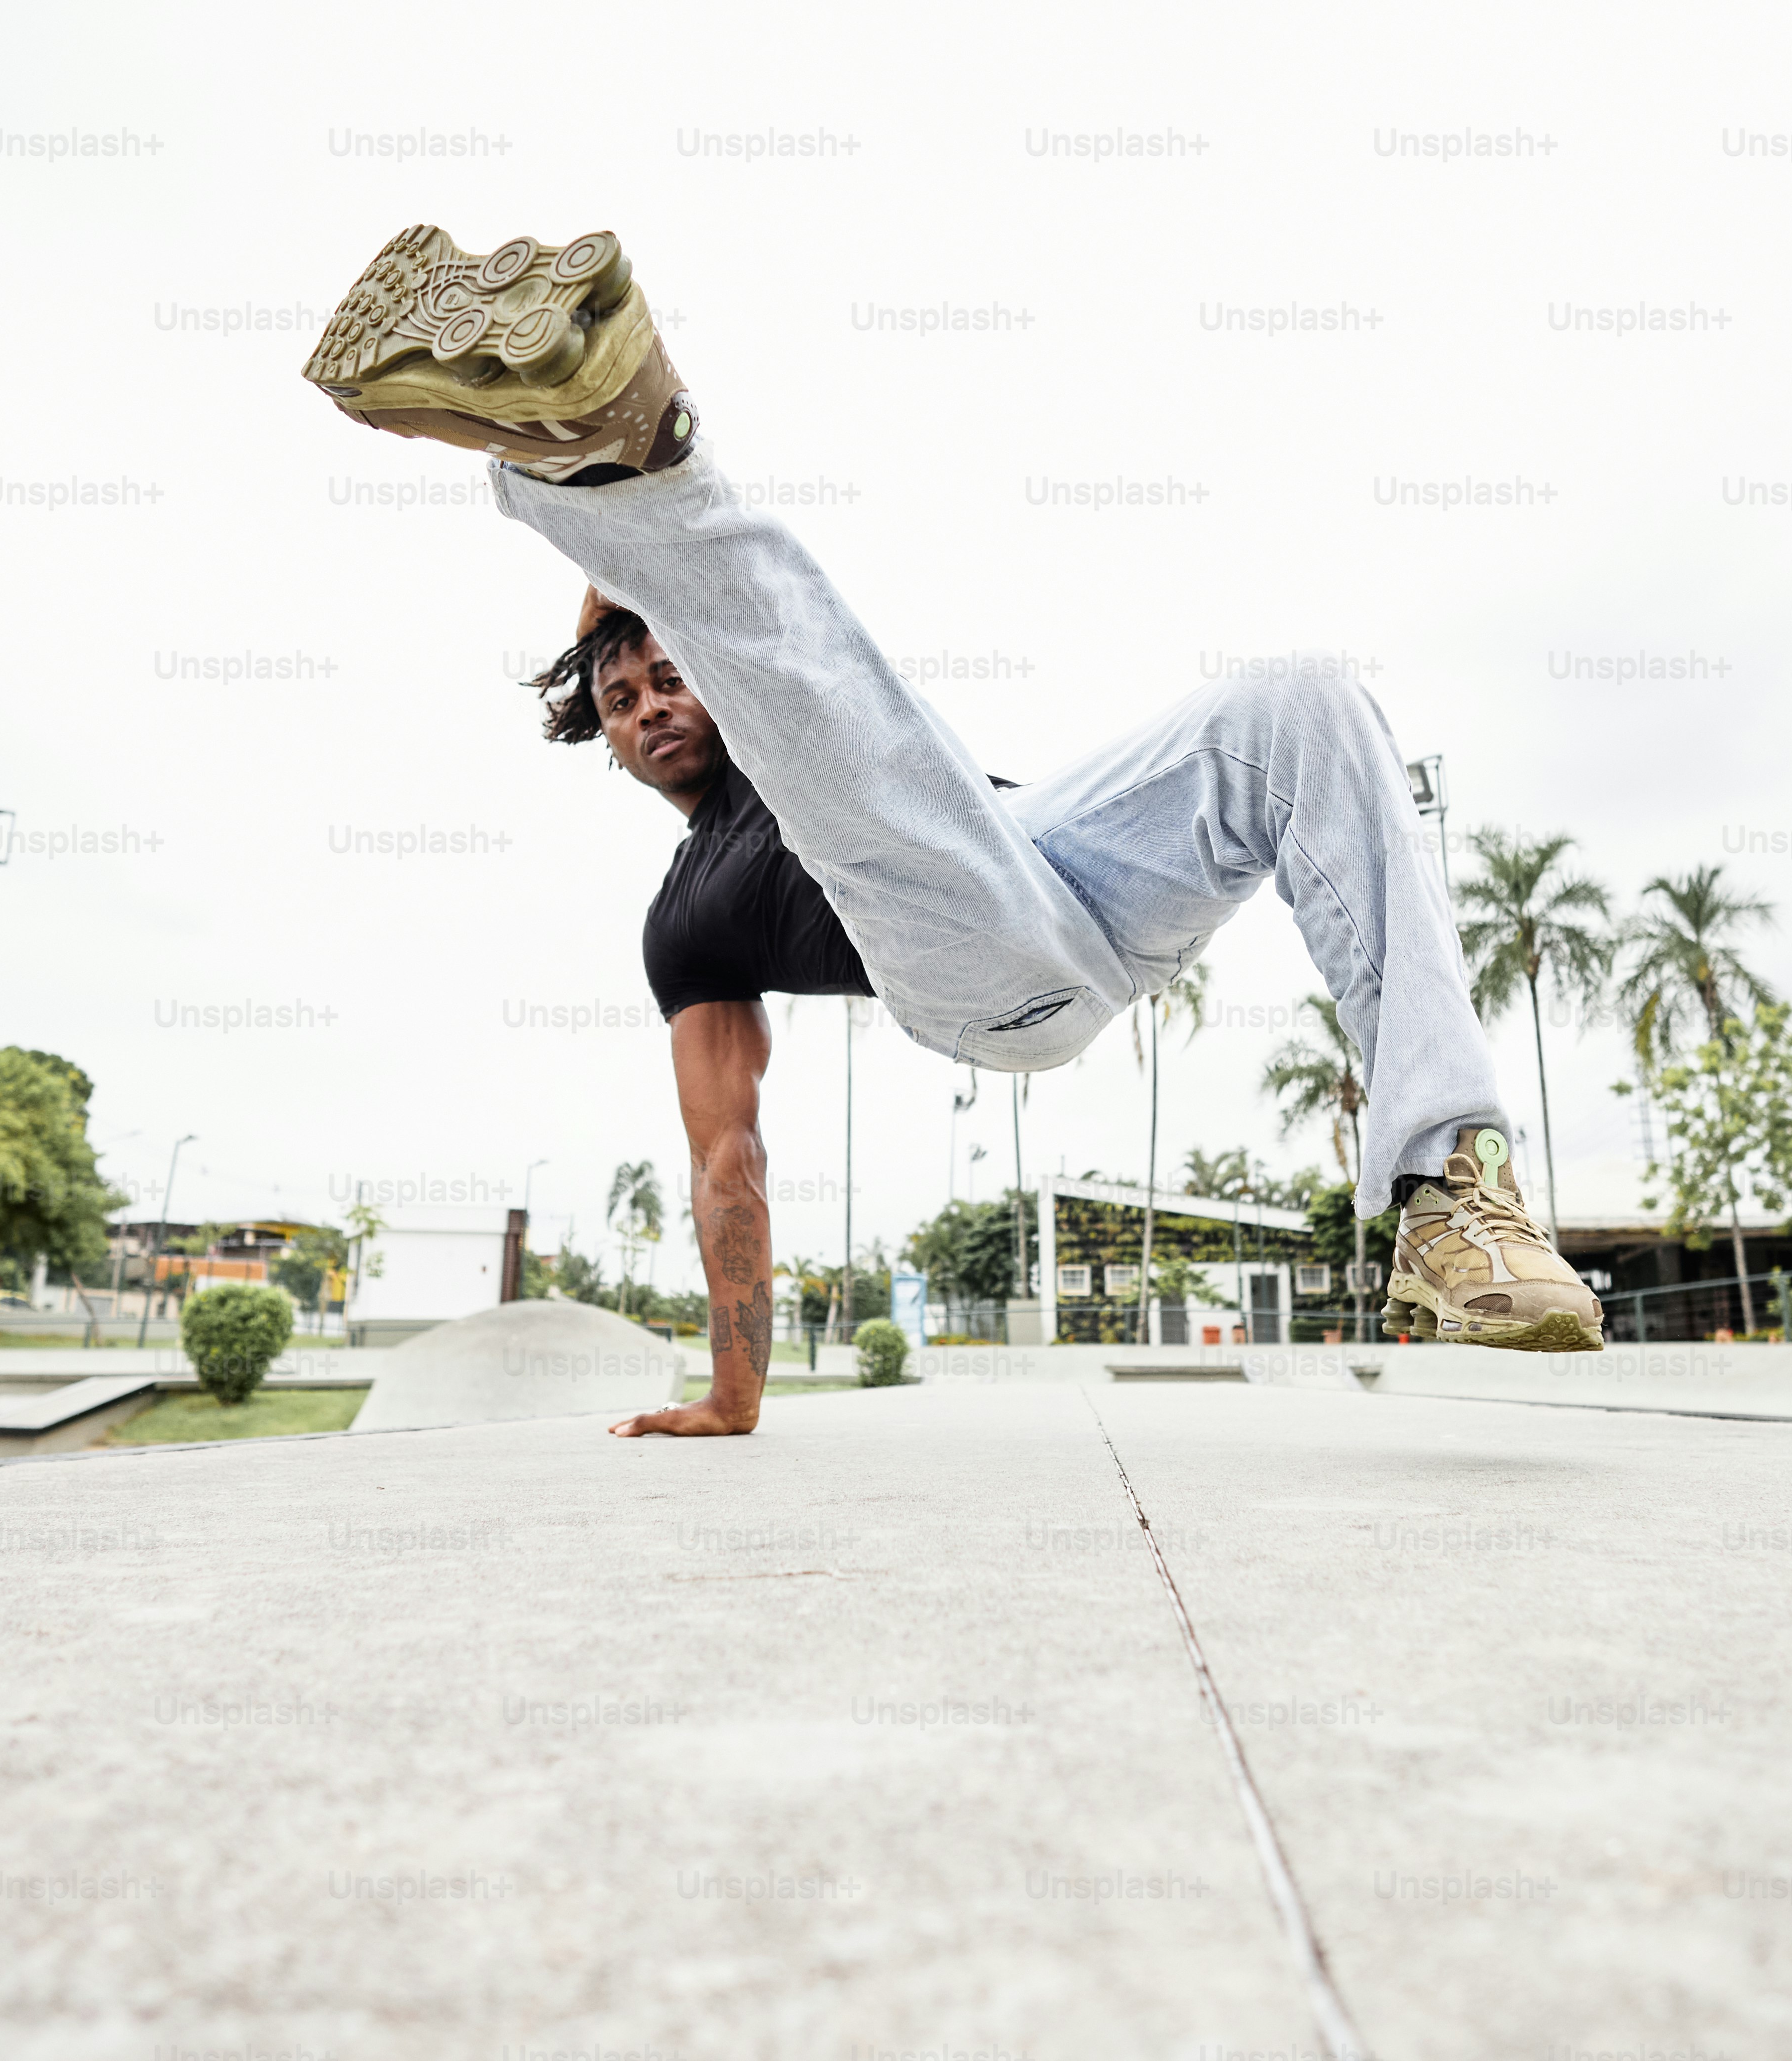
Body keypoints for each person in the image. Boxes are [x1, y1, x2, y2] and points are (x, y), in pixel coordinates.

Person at [305, 225, 1602, 1438]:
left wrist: (569, 495)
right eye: (624, 702)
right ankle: (606, 445)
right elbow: (726, 1161)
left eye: (665, 680)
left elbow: (721, 631)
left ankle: (1452, 1196)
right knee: (839, 748)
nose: (650, 710)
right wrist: (736, 1394)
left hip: (1067, 868)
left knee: (1295, 701)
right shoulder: (686, 921)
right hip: (969, 974)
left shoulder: (773, 710)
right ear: (607, 742)